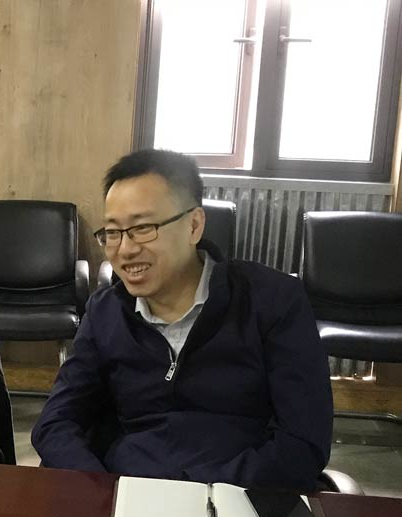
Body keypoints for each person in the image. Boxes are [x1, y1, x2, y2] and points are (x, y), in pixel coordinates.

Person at [31, 149, 332, 490]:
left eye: (143, 228)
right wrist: (103, 489)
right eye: (113, 232)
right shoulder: (106, 312)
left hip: (242, 499)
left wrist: (202, 493)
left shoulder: (271, 301)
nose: (125, 249)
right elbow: (55, 422)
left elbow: (303, 441)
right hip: (128, 496)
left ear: (193, 225)